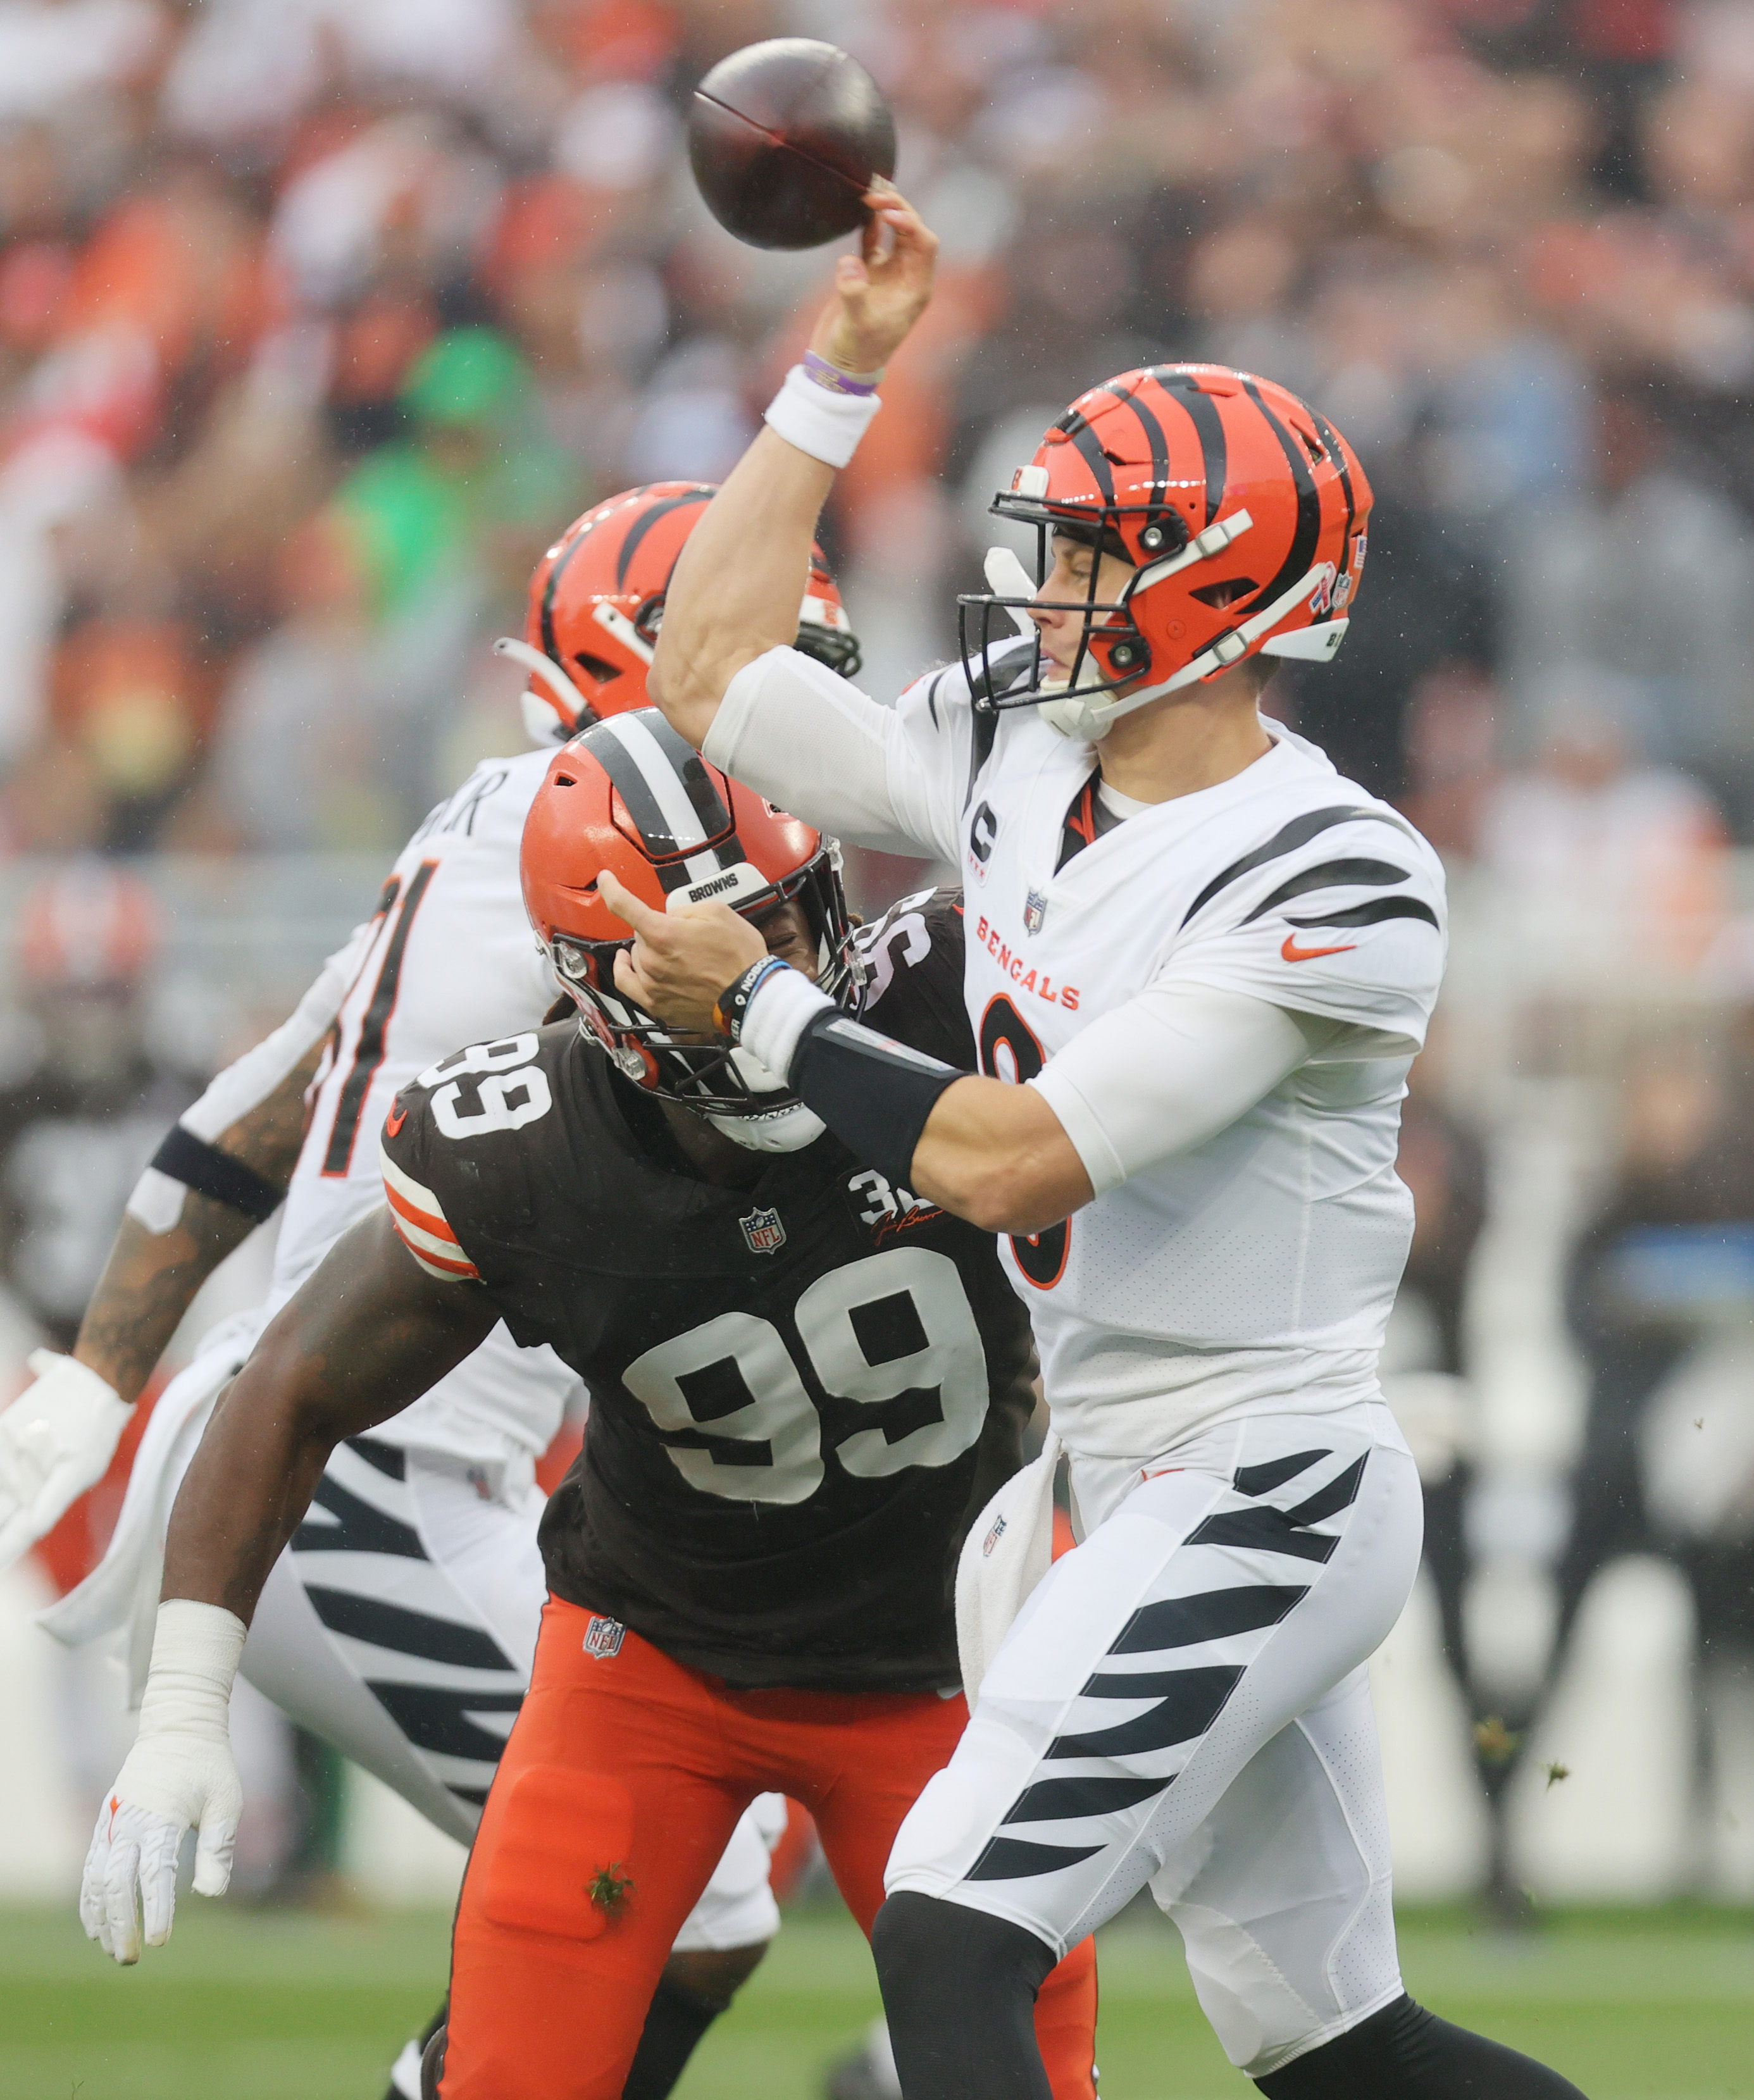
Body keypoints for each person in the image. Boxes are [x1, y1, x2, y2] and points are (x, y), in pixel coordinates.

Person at [619, 186, 1592, 2098]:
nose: (1033, 588)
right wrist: (843, 366)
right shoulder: (1025, 740)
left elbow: (1011, 1162)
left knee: (952, 1929)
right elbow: (708, 668)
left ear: (1211, 595)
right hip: (1123, 1457)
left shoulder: (1338, 872)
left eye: (1079, 555)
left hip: (1261, 1472)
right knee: (1345, 2059)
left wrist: (755, 1007)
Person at [76, 714, 1100, 2100]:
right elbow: (290, 1388)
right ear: (589, 985)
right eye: (694, 963)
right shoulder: (521, 1146)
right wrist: (186, 1705)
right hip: (652, 1665)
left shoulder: (952, 1003)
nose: (758, 979)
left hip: (949, 1668)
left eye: (785, 928)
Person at [6, 484, 864, 2100]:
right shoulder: (587, 859)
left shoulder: (486, 829)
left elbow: (249, 1114)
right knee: (688, 1894)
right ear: (652, 666)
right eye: (768, 657)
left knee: (691, 1885)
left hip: (391, 1457)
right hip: (350, 1474)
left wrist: (102, 1377)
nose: (800, 706)